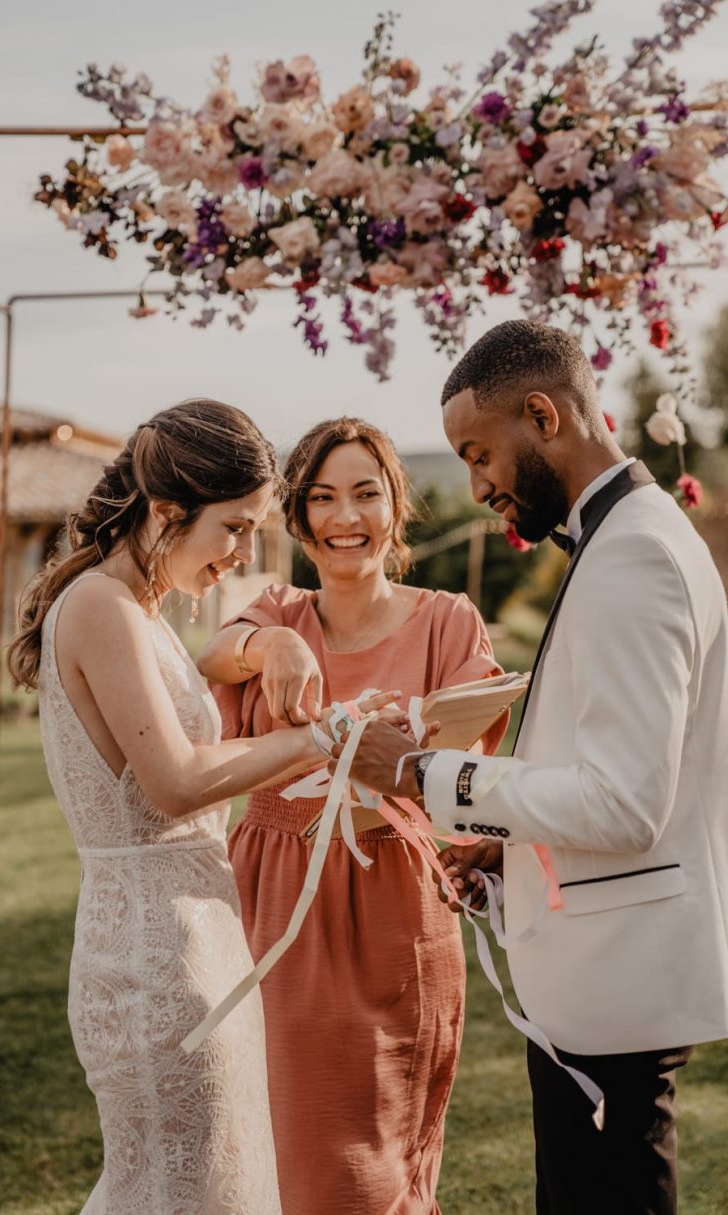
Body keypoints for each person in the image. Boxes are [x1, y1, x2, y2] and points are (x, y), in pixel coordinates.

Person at [340, 321, 728, 1215]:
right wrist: (505, 847)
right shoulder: (631, 532)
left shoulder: (633, 553)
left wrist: (429, 775)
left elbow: (626, 802)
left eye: (480, 454)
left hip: (616, 994)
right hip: (608, 980)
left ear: (543, 415)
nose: (476, 487)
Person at [6, 399, 329, 1215]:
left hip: (196, 936)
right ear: (166, 510)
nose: (245, 552)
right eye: (235, 527)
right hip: (153, 958)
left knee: (208, 1182)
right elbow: (177, 780)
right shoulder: (101, 608)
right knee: (174, 1191)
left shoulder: (135, 609)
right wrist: (324, 739)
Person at [198, 417, 507, 1215]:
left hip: (394, 908)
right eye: (323, 498)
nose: (345, 518)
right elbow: (210, 655)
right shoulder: (274, 611)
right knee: (283, 1144)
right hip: (274, 900)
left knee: (376, 1158)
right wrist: (271, 647)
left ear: (394, 507)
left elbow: (484, 765)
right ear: (297, 518)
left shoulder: (447, 620)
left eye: (365, 494)